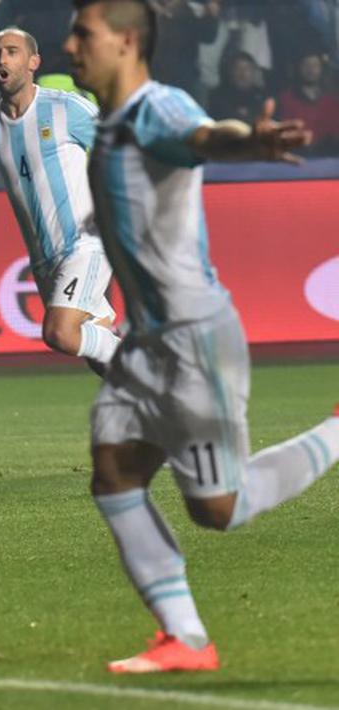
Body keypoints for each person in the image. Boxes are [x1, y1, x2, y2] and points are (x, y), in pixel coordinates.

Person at [65, 0, 339, 673]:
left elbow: (202, 136)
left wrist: (249, 142)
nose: (70, 45)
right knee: (113, 474)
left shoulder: (156, 108)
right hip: (145, 343)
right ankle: (185, 639)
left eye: (83, 34)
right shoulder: (107, 125)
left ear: (127, 41)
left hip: (192, 338)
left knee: (220, 509)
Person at [0, 27, 121, 373]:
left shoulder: (66, 108)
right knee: (96, 352)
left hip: (86, 243)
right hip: (45, 261)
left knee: (59, 333)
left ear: (33, 62)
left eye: (11, 51)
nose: (2, 59)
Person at [275, 50, 339, 156]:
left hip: (328, 160)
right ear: (299, 68)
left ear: (321, 69)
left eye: (315, 65)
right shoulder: (285, 99)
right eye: (306, 65)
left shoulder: (332, 100)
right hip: (297, 158)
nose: (311, 70)